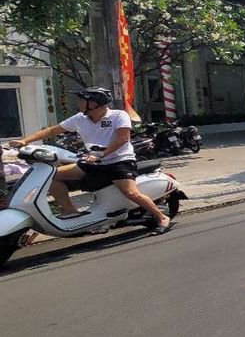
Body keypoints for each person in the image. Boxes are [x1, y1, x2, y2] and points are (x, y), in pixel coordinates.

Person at [10, 87, 174, 233]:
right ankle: (69, 210)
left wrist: (100, 154)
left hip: (119, 162)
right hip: (92, 162)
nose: (78, 104)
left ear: (93, 103)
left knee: (131, 193)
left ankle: (161, 217)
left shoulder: (118, 115)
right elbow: (53, 130)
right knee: (52, 175)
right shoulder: (80, 118)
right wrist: (25, 141)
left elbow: (122, 139)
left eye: (81, 100)